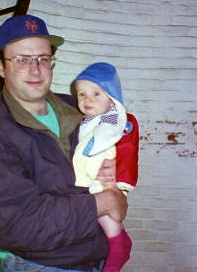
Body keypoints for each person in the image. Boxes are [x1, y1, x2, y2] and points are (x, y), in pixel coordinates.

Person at [0, 14, 128, 272]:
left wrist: (117, 186)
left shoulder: (79, 107)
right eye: (21, 60)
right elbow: (18, 223)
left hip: (96, 257)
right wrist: (106, 202)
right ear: (1, 66)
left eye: (43, 58)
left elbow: (119, 150)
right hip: (39, 264)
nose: (35, 69)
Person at [72, 62, 139, 272]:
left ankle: (118, 247)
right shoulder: (85, 122)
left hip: (107, 183)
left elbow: (129, 152)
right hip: (90, 182)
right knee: (100, 215)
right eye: (81, 94)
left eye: (96, 93)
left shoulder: (118, 122)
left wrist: (122, 183)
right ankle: (120, 239)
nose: (87, 99)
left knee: (105, 214)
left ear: (112, 99)